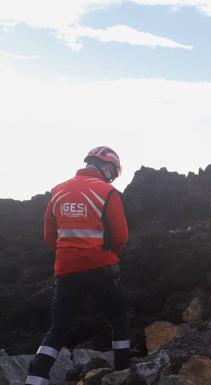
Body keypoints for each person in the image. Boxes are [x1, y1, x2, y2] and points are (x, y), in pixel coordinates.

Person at [26, 146, 130, 385]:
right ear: (106, 167)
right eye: (112, 172)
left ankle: (35, 376)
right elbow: (121, 236)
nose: (111, 177)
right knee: (118, 318)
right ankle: (124, 371)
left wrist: (70, 255)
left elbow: (49, 237)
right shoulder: (107, 191)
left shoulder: (58, 191)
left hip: (66, 269)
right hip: (101, 267)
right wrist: (105, 255)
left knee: (59, 327)